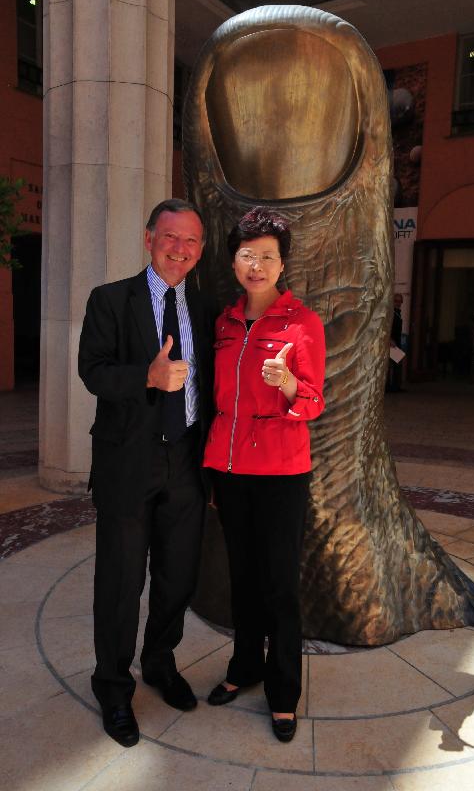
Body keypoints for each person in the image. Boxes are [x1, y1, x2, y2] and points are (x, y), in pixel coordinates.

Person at [78, 199, 214, 747]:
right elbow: (93, 372)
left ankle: (159, 662)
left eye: (191, 242)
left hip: (184, 462)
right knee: (119, 584)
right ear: (148, 238)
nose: (179, 250)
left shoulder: (204, 309)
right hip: (127, 466)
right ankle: (113, 687)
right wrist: (148, 378)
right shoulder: (110, 300)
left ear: (200, 250)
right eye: (170, 238)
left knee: (178, 577)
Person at [203, 207, 326, 743]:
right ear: (234, 261)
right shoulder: (225, 321)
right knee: (243, 579)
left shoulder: (302, 322)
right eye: (247, 254)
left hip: (280, 472)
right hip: (229, 471)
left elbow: (316, 400)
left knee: (280, 587)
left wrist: (290, 387)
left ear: (282, 264)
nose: (257, 265)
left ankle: (283, 692)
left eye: (267, 256)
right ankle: (244, 666)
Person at [387, 292, 404, 392]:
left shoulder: (397, 313)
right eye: (396, 301)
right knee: (391, 365)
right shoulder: (391, 313)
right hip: (391, 342)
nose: (398, 303)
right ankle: (391, 387)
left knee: (397, 364)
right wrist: (390, 339)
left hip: (396, 341)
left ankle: (395, 386)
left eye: (400, 301)